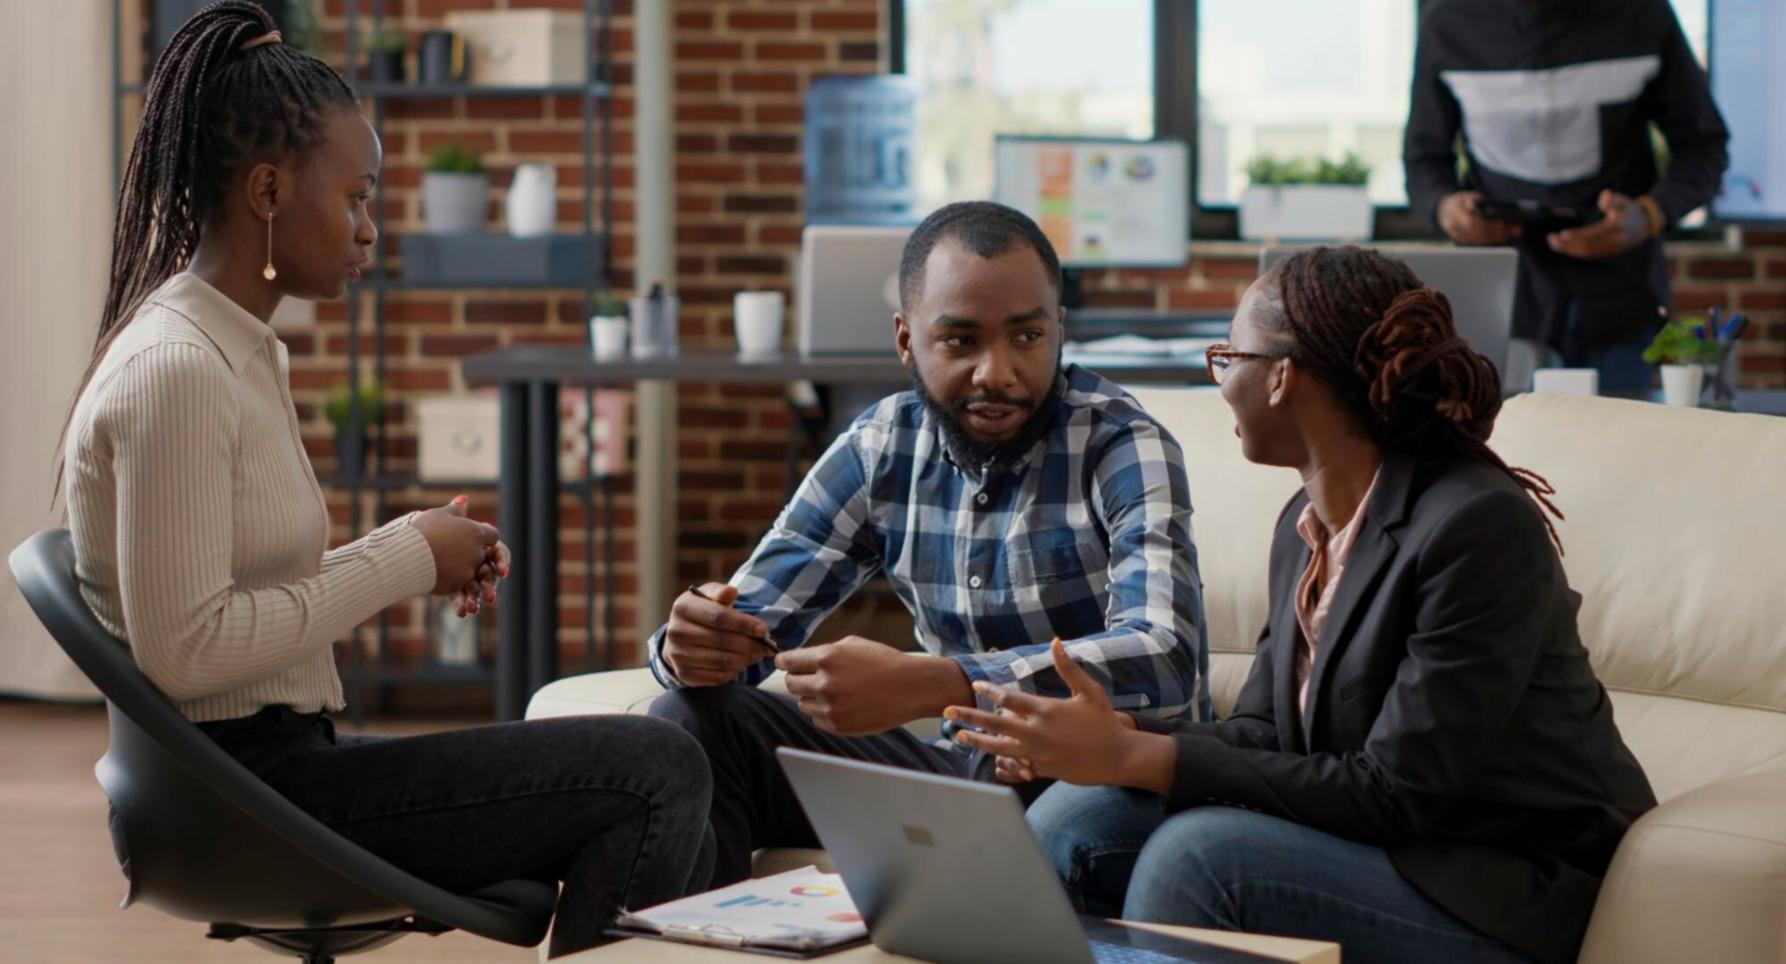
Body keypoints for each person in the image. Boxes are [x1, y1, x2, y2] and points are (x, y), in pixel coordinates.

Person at [58, 4, 710, 955]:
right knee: (657, 766)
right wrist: (404, 558)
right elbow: (186, 652)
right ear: (270, 191)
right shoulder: (180, 370)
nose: (371, 226)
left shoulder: (229, 348)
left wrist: (411, 550)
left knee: (658, 755)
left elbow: (231, 601)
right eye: (357, 196)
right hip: (243, 795)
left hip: (276, 769)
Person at [950, 246, 1656, 964]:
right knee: (1079, 813)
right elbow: (1266, 730)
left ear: (1282, 376)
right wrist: (1108, 737)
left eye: (1228, 357)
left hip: (1505, 882)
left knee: (1199, 859)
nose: (1221, 384)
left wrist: (1138, 754)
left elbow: (1396, 793)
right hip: (1386, 846)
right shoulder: (1305, 523)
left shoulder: (1477, 526)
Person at [647, 201, 1208, 886]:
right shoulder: (880, 446)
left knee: (1066, 819)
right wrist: (693, 648)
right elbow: (749, 624)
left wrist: (946, 681)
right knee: (691, 721)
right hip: (959, 766)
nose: (996, 373)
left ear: (1059, 331)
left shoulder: (1123, 446)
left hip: (1095, 773)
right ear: (907, 339)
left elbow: (1166, 656)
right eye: (961, 341)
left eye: (1027, 338)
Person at [1404, 0, 1729, 392]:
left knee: (1618, 445)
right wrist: (1447, 209)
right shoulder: (1446, 22)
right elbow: (1423, 159)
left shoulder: (1644, 14)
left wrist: (1649, 214)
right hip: (1503, 297)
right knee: (1503, 444)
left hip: (1619, 295)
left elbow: (1703, 146)